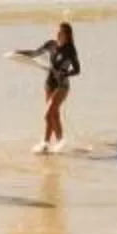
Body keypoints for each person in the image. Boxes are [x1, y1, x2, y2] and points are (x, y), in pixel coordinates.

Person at [11, 20, 81, 152]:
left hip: (62, 85)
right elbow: (35, 53)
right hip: (49, 83)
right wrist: (19, 52)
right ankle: (47, 145)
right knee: (53, 115)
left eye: (62, 32)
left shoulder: (70, 50)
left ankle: (58, 142)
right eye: (58, 31)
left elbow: (77, 70)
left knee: (48, 114)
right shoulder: (51, 45)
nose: (58, 34)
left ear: (68, 35)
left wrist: (65, 74)